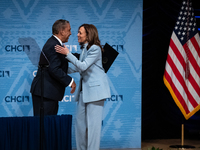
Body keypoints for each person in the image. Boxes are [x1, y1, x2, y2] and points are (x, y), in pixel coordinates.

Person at [55, 24, 111, 150]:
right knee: (79, 126)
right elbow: (76, 67)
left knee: (93, 128)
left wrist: (68, 54)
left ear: (88, 34)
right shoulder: (85, 49)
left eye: (80, 32)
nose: (77, 35)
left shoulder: (95, 49)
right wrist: (57, 69)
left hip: (95, 93)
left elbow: (83, 66)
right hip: (83, 93)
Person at [30, 19, 76, 116]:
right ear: (62, 31)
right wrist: (70, 81)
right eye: (69, 30)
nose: (71, 33)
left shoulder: (55, 43)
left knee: (47, 126)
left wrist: (86, 57)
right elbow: (54, 69)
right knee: (44, 127)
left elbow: (65, 58)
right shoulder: (53, 45)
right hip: (45, 94)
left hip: (48, 93)